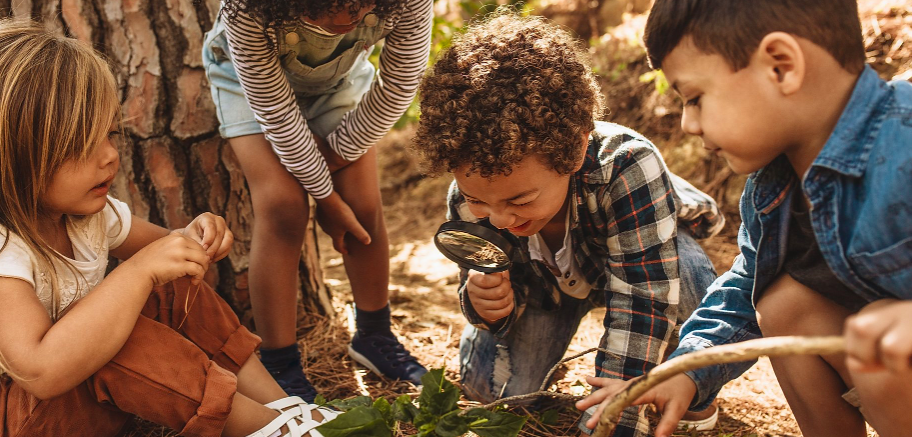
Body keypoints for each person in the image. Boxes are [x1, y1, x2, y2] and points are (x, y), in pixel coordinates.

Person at [0, 20, 338, 437]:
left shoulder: (88, 217)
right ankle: (266, 430)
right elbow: (41, 373)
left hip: (58, 409)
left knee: (171, 286)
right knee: (115, 338)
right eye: (80, 143)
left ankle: (283, 408)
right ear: (8, 156)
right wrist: (137, 271)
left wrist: (196, 236)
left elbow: (173, 252)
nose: (110, 156)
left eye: (110, 134)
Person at [578, 1, 912, 436]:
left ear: (781, 66)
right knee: (781, 305)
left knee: (885, 337)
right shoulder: (771, 189)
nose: (688, 124)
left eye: (695, 99)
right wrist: (685, 370)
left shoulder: (902, 139)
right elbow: (742, 293)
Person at [410, 12, 726, 437]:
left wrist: (612, 417)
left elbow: (643, 299)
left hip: (635, 264)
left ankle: (693, 393)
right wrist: (485, 306)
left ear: (575, 150)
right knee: (493, 393)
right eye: (477, 199)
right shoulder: (471, 200)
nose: (500, 218)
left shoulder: (628, 166)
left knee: (687, 277)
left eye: (521, 199)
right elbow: (482, 285)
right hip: (547, 290)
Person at [201, 0, 432, 401]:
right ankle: (280, 362)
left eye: (359, 9)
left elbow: (398, 85)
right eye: (324, 12)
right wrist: (324, 196)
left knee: (361, 204)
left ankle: (375, 336)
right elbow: (274, 111)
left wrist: (336, 157)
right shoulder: (247, 10)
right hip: (249, 86)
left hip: (339, 82)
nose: (345, 22)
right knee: (283, 207)